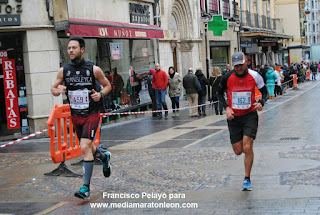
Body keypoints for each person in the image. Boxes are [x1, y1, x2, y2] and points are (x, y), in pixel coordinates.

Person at [51, 36, 112, 199]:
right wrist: (58, 90)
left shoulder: (94, 69)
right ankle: (104, 157)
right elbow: (53, 88)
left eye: (74, 48)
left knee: (84, 147)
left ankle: (86, 188)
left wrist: (100, 94)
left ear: (82, 50)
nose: (70, 50)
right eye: (69, 48)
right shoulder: (64, 70)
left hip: (91, 114)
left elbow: (107, 86)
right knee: (89, 147)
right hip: (76, 115)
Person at [217, 52, 268, 191]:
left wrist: (261, 102)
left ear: (246, 62)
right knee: (238, 151)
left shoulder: (255, 75)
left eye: (241, 65)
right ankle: (247, 154)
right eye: (236, 66)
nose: (239, 68)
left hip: (250, 115)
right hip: (234, 117)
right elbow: (218, 92)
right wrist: (226, 107)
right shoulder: (227, 77)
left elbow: (265, 91)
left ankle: (247, 178)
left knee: (247, 146)